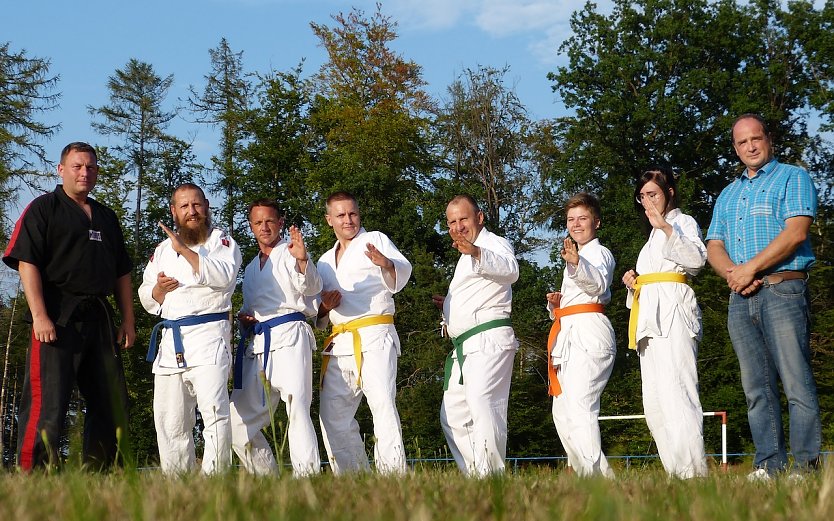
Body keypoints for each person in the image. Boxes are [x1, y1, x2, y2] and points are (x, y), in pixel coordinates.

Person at [3, 142, 135, 471]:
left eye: (90, 167)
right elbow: (26, 263)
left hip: (99, 319)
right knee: (48, 401)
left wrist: (128, 321)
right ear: (61, 170)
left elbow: (122, 273)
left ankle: (98, 473)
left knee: (110, 401)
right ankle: (35, 474)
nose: (84, 172)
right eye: (77, 166)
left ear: (97, 172)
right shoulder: (44, 208)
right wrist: (39, 316)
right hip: (56, 315)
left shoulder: (106, 216)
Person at [706, 114, 820, 480]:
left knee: (795, 380)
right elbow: (714, 245)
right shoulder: (728, 193)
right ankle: (768, 465)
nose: (750, 146)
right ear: (735, 149)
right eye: (742, 142)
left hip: (782, 288)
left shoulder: (792, 177)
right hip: (741, 297)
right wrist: (733, 275)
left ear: (768, 139)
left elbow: (795, 233)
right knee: (756, 387)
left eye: (756, 138)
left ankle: (805, 466)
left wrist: (749, 268)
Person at [139, 183, 242, 474]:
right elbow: (146, 296)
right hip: (171, 341)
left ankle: (215, 482)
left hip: (208, 337)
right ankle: (177, 484)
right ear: (174, 211)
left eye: (196, 205)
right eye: (184, 206)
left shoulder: (222, 242)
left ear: (206, 206)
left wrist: (183, 250)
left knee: (214, 414)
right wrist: (159, 288)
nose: (191, 212)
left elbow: (223, 277)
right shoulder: (161, 250)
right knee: (170, 420)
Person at [316, 191, 411, 475]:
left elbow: (402, 271)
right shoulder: (323, 261)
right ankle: (352, 474)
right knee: (332, 414)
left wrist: (387, 264)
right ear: (329, 219)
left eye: (353, 213)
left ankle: (393, 474)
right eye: (341, 215)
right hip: (339, 340)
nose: (348, 220)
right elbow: (317, 312)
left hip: (375, 332)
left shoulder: (376, 240)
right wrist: (324, 308)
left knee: (382, 403)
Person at [622, 167, 708, 479]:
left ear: (669, 192)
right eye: (642, 196)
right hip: (649, 321)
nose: (647, 201)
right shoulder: (650, 240)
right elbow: (652, 280)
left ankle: (694, 473)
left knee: (678, 393)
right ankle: (676, 471)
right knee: (655, 403)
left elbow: (698, 261)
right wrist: (634, 284)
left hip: (674, 316)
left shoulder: (683, 223)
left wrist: (668, 229)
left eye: (653, 194)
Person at [229, 199, 321, 477]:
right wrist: (246, 319)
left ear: (280, 223)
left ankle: (308, 477)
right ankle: (268, 478)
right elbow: (250, 306)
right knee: (235, 423)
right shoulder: (251, 268)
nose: (264, 227)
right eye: (258, 222)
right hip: (258, 343)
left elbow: (312, 287)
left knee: (297, 409)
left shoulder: (291, 252)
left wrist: (303, 260)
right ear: (251, 227)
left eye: (270, 221)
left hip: (290, 336)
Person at [433, 195, 518, 477]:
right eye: (452, 222)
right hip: (466, 346)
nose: (458, 227)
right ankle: (476, 475)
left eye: (464, 219)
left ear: (480, 218)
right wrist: (449, 305)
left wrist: (477, 253)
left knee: (483, 403)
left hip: (489, 339)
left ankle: (493, 476)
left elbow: (510, 270)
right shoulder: (464, 258)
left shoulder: (492, 244)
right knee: (453, 415)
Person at [544, 192, 615, 478]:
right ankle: (587, 474)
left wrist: (576, 264)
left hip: (589, 333)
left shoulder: (599, 253)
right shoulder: (578, 256)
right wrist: (557, 304)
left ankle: (599, 478)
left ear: (596, 222)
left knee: (580, 406)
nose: (576, 224)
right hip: (570, 334)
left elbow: (597, 285)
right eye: (571, 219)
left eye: (582, 218)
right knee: (562, 411)